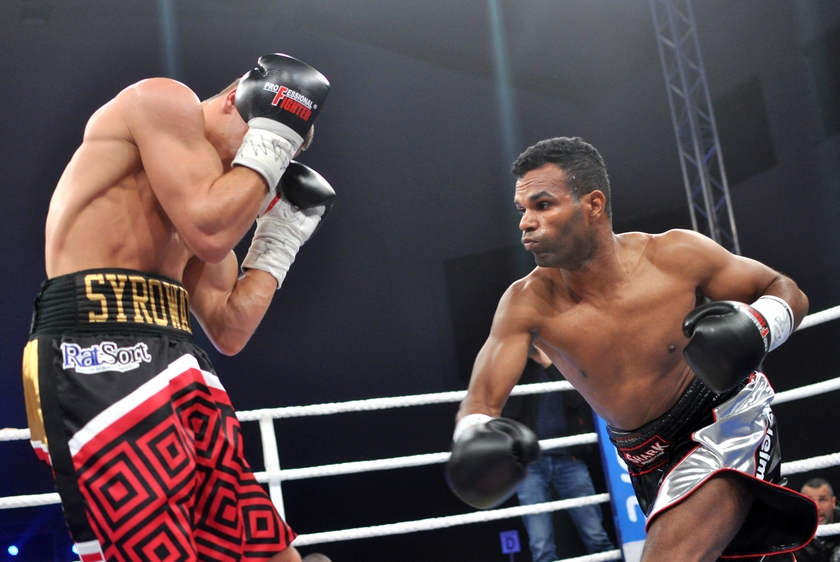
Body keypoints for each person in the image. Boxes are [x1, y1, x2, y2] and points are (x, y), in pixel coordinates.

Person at [21, 53, 334, 562]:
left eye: (279, 157)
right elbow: (210, 229)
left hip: (178, 356)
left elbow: (230, 329)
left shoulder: (205, 217)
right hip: (93, 350)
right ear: (235, 100)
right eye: (265, 142)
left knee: (264, 549)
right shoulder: (163, 100)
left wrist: (278, 240)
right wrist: (274, 136)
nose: (263, 166)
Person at [446, 136, 819, 561]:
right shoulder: (525, 303)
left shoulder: (674, 256)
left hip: (724, 423)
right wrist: (472, 433)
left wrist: (760, 325)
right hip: (644, 459)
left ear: (593, 204)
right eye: (522, 210)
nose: (526, 223)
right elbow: (482, 399)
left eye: (543, 205)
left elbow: (785, 290)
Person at [503, 346, 615, 561]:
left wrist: (548, 362)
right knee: (541, 545)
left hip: (569, 460)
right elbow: (509, 412)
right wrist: (519, 364)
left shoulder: (567, 362)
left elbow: (578, 399)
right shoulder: (519, 370)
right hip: (532, 466)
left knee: (596, 535)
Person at [797, 478, 840, 562]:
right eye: (810, 500)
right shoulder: (791, 532)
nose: (817, 507)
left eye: (822, 500)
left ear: (833, 502)